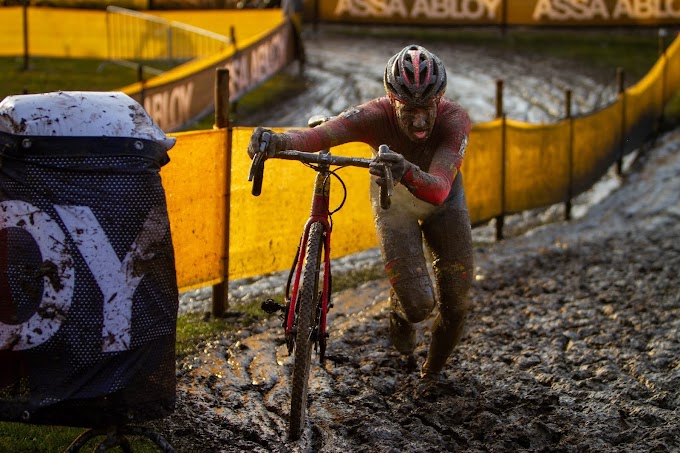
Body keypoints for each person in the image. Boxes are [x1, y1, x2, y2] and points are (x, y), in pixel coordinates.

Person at [248, 44, 473, 382]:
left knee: (455, 305)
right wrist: (276, 141)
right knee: (418, 307)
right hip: (392, 200)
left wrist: (407, 170)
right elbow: (318, 136)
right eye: (408, 109)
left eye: (427, 107)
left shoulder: (455, 120)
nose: (419, 119)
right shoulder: (372, 115)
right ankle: (400, 310)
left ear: (439, 100)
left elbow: (439, 189)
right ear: (391, 101)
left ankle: (431, 375)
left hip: (444, 202)